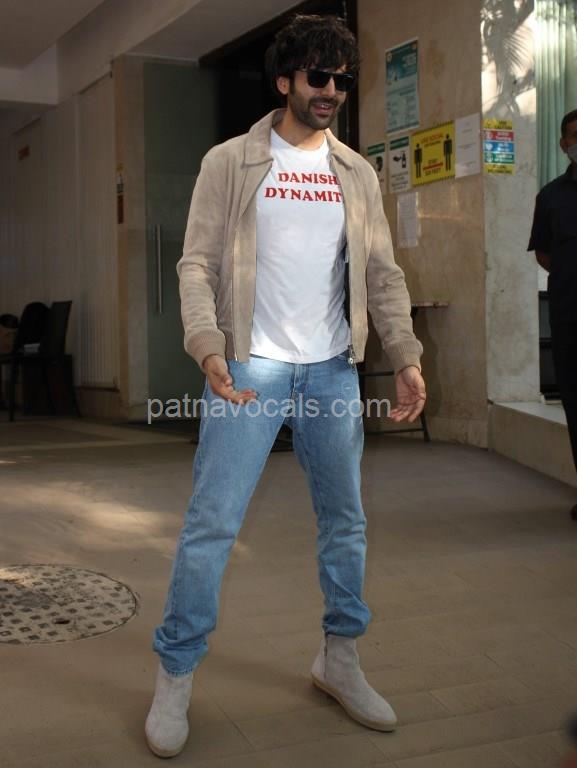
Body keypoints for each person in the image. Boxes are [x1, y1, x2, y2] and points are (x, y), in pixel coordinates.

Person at [145, 14, 426, 758]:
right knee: (212, 525)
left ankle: (339, 658)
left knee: (345, 522)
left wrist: (403, 353)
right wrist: (207, 346)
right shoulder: (230, 162)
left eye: (342, 79)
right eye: (317, 77)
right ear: (284, 81)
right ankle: (176, 672)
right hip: (250, 367)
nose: (331, 90)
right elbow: (197, 264)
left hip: (331, 369)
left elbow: (381, 274)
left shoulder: (356, 173)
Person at [528, 109, 577, 520]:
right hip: (569, 315)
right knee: (574, 405)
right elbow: (543, 252)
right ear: (563, 144)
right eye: (574, 136)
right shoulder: (550, 197)